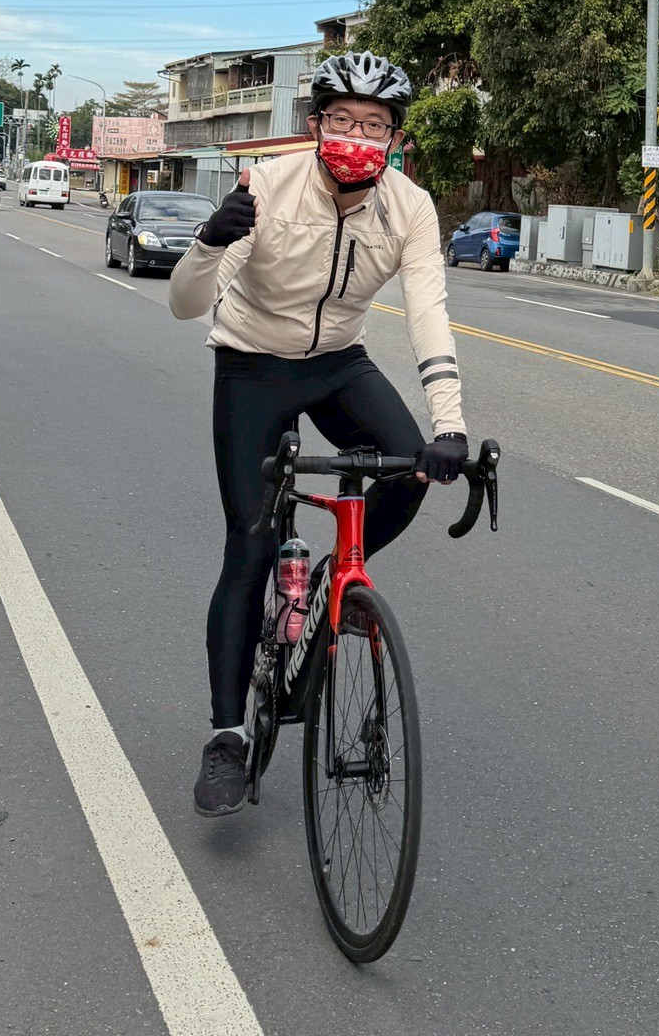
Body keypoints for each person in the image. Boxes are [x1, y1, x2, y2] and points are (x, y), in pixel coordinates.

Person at [168, 51, 469, 816]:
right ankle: (227, 736)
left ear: (395, 138)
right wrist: (208, 242)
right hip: (251, 366)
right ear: (314, 125)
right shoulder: (266, 187)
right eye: (342, 120)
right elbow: (185, 304)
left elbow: (429, 311)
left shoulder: (410, 207)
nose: (356, 137)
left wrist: (450, 424)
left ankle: (337, 584)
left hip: (338, 363)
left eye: (374, 125)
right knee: (249, 547)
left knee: (413, 471)